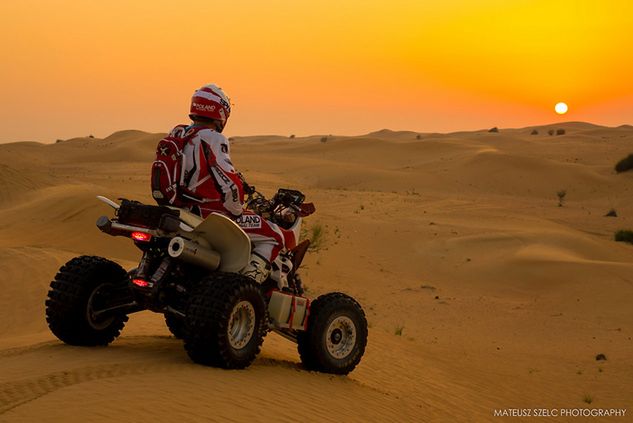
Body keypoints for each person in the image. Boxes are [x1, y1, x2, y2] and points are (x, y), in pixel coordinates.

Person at [158, 84, 292, 284]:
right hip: (209, 215)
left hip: (178, 207)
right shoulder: (213, 138)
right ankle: (247, 285)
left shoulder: (178, 133)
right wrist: (237, 210)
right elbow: (228, 181)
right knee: (275, 236)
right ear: (220, 111)